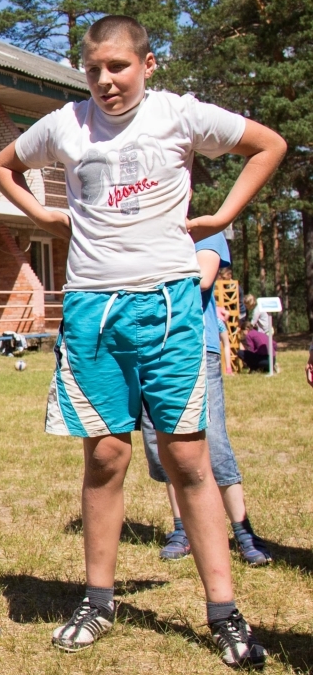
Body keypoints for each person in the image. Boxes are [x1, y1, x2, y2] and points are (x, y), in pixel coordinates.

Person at [0, 14, 286, 670]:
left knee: (187, 460)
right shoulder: (66, 125)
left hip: (170, 305)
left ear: (148, 65)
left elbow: (269, 145)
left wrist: (227, 212)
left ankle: (224, 612)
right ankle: (98, 600)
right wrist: (40, 213)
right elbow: (3, 166)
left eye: (118, 67)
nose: (105, 81)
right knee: (106, 458)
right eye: (93, 69)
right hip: (93, 309)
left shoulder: (180, 116)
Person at [139, 231, 269, 566]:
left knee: (214, 439)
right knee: (159, 439)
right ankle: (182, 529)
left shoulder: (204, 229)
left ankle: (242, 531)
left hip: (195, 345)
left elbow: (201, 281)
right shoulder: (143, 226)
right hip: (149, 346)